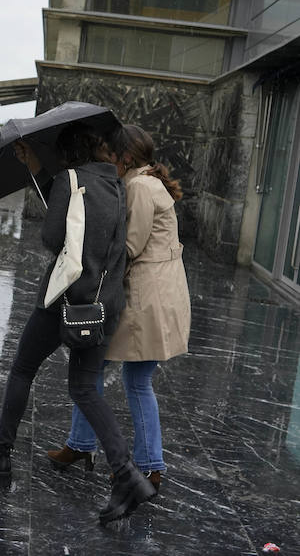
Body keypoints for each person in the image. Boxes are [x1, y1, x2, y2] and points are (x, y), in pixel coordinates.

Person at [0, 123, 157, 524]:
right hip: (102, 305)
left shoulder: (69, 180)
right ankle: (127, 474)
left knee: (21, 370)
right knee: (86, 388)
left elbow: (55, 238)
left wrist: (49, 182)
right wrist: (40, 172)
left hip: (64, 302)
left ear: (67, 149)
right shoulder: (116, 185)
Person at [46, 124, 190, 493]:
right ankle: (85, 446)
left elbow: (131, 246)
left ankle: (147, 465)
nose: (109, 158)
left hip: (145, 300)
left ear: (125, 157)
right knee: (100, 371)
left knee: (124, 377)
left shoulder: (141, 187)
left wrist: (88, 255)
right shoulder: (147, 182)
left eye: (113, 153)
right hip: (154, 296)